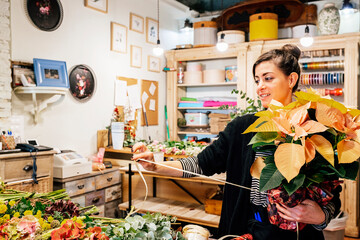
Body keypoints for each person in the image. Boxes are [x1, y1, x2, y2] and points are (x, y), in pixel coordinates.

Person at [132, 44, 341, 240]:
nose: (260, 87)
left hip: (299, 234)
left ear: (291, 79)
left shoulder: (317, 128)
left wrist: (321, 217)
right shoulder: (243, 127)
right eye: (257, 80)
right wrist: (156, 165)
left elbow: (333, 191)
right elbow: (201, 164)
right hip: (249, 228)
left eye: (268, 78)